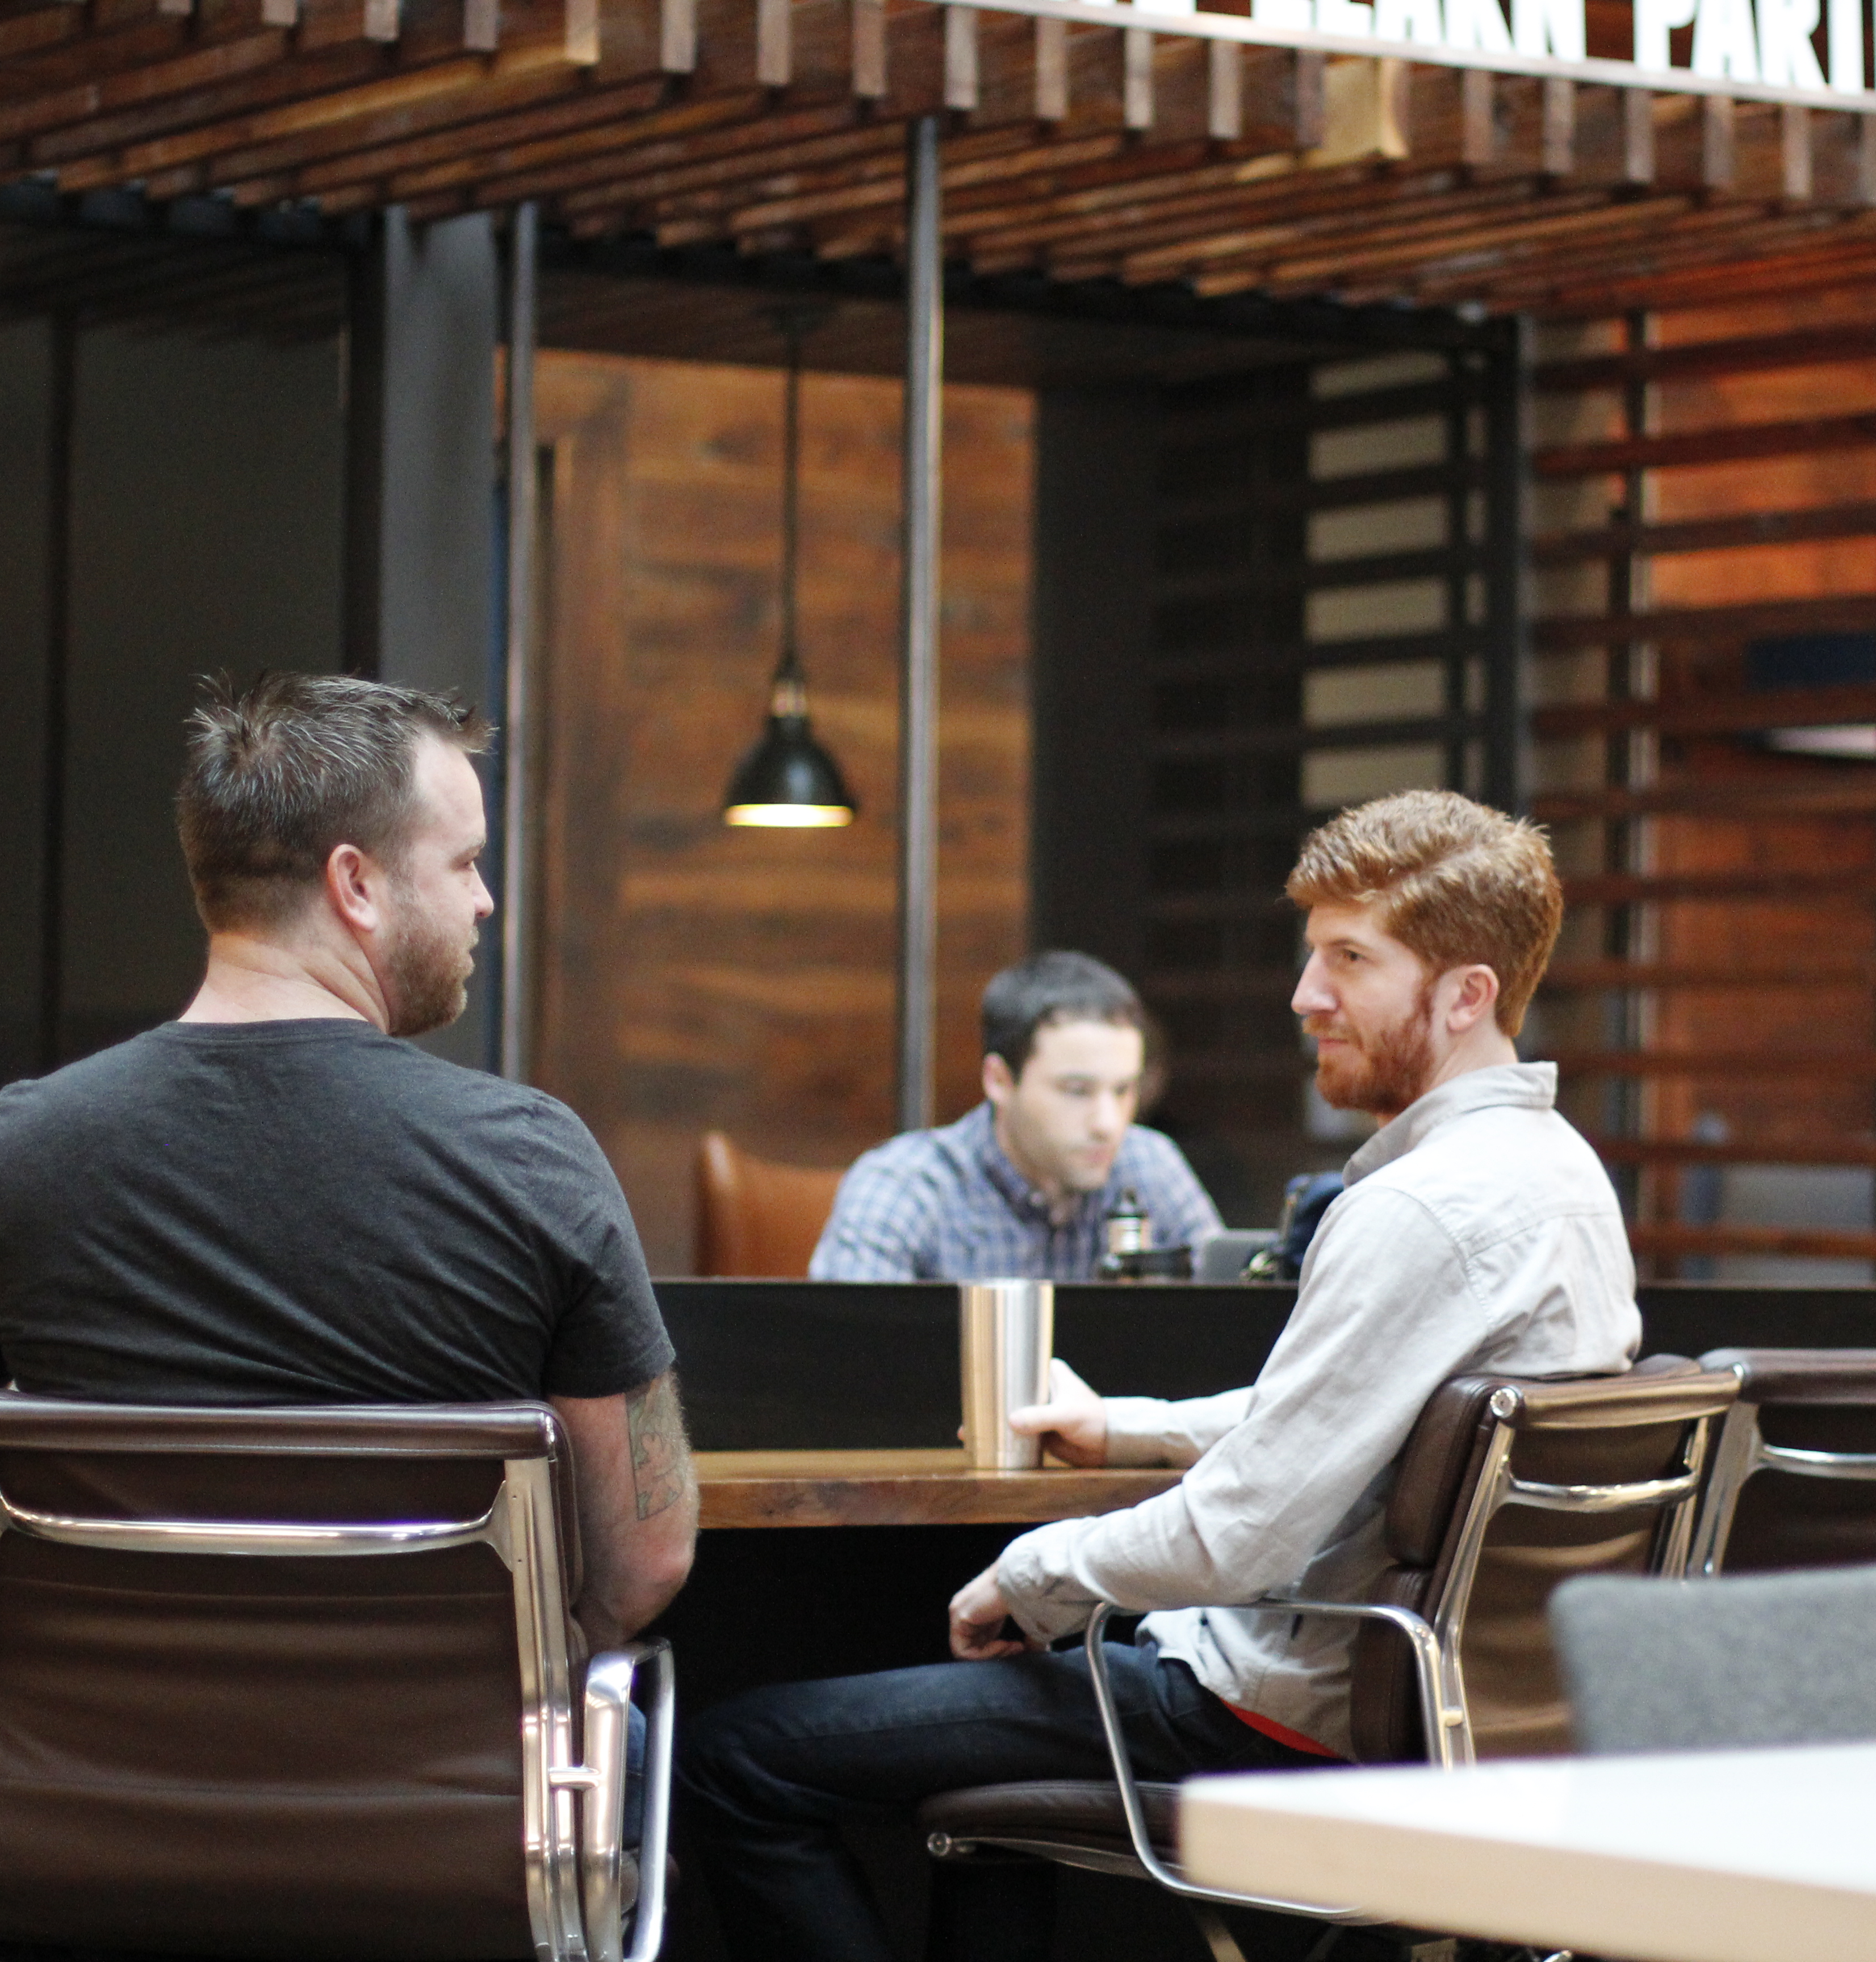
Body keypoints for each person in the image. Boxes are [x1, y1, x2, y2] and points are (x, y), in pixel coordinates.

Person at [679, 789, 1636, 1962]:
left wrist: (1033, 1572)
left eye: (1349, 958)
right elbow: (1359, 1411)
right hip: (1469, 1721)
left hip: (1266, 1720)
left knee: (734, 1759)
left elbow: (1239, 1540)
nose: (1306, 997)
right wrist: (1130, 1429)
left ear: (1464, 996)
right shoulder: (1561, 1178)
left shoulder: (1416, 1210)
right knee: (994, 1811)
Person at [0, 670, 695, 1658]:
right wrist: (512, 1683)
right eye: (463, 863)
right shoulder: (532, 1163)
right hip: (441, 1795)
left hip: (103, 1785)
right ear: (355, 885)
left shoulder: (19, 1151)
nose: (486, 901)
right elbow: (645, 1559)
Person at [809, 950, 1223, 1281]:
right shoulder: (906, 1188)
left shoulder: (1148, 1165)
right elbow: (847, 1366)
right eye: (1076, 1091)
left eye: (1123, 1090)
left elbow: (1236, 1328)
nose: (1108, 1123)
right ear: (1000, 1081)